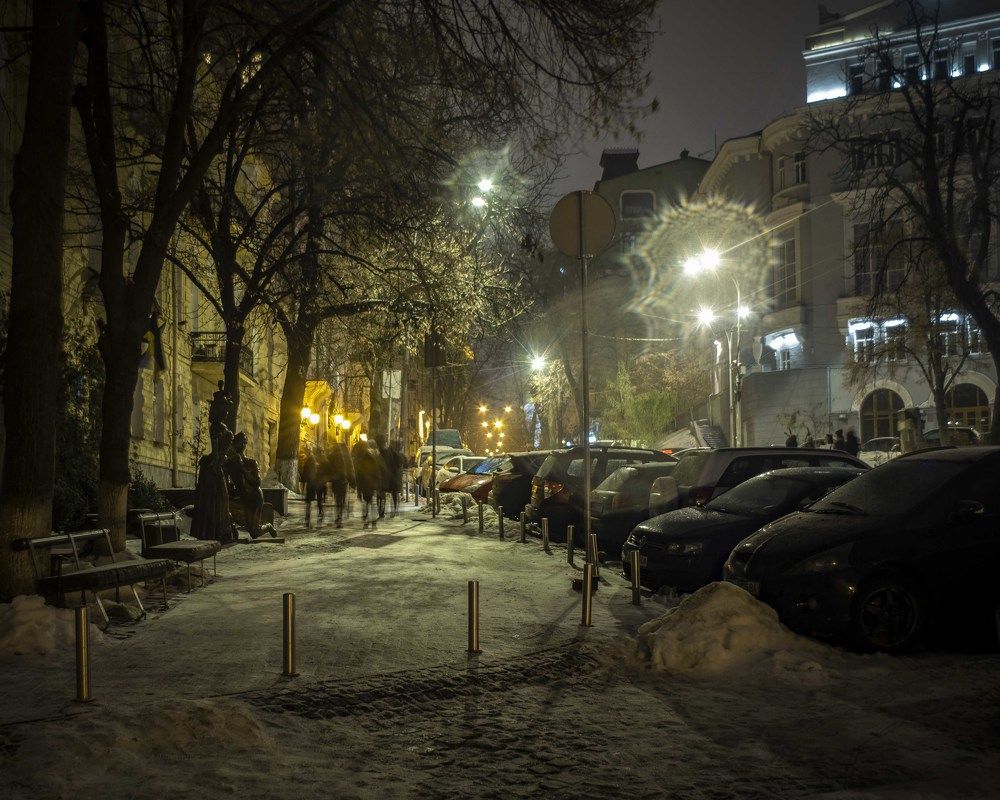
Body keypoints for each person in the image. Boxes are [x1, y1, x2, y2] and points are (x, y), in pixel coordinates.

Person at [324, 438, 354, 528]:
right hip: (343, 482)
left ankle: (338, 516)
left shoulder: (332, 456)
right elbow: (350, 470)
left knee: (337, 499)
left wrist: (328, 478)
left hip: (335, 481)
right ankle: (339, 517)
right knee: (342, 500)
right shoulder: (347, 458)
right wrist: (352, 482)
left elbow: (327, 467)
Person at [353, 438, 381, 529]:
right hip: (371, 484)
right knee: (372, 503)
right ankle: (373, 522)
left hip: (366, 484)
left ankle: (367, 521)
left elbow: (359, 474)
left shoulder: (362, 458)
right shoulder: (375, 457)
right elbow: (377, 472)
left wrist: (359, 489)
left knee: (367, 503)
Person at [302, 446, 325, 527]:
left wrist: (304, 481)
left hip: (312, 483)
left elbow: (305, 471)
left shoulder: (310, 459)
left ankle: (307, 518)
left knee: (309, 501)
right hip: (318, 483)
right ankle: (319, 512)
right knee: (318, 500)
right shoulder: (322, 459)